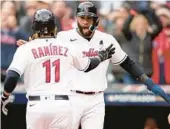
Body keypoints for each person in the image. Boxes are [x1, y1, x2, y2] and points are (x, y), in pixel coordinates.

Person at [16, 2, 170, 129]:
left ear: (96, 20)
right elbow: (46, 45)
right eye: (81, 18)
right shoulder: (64, 37)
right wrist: (31, 45)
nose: (84, 22)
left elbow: (127, 62)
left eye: (88, 18)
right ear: (76, 18)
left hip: (96, 99)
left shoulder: (107, 39)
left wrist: (148, 82)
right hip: (71, 97)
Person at [1, 9, 115, 129]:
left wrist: (5, 96)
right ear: (54, 27)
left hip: (36, 106)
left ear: (34, 26)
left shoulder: (26, 48)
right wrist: (102, 56)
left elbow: (12, 77)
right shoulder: (67, 46)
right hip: (62, 106)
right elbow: (88, 65)